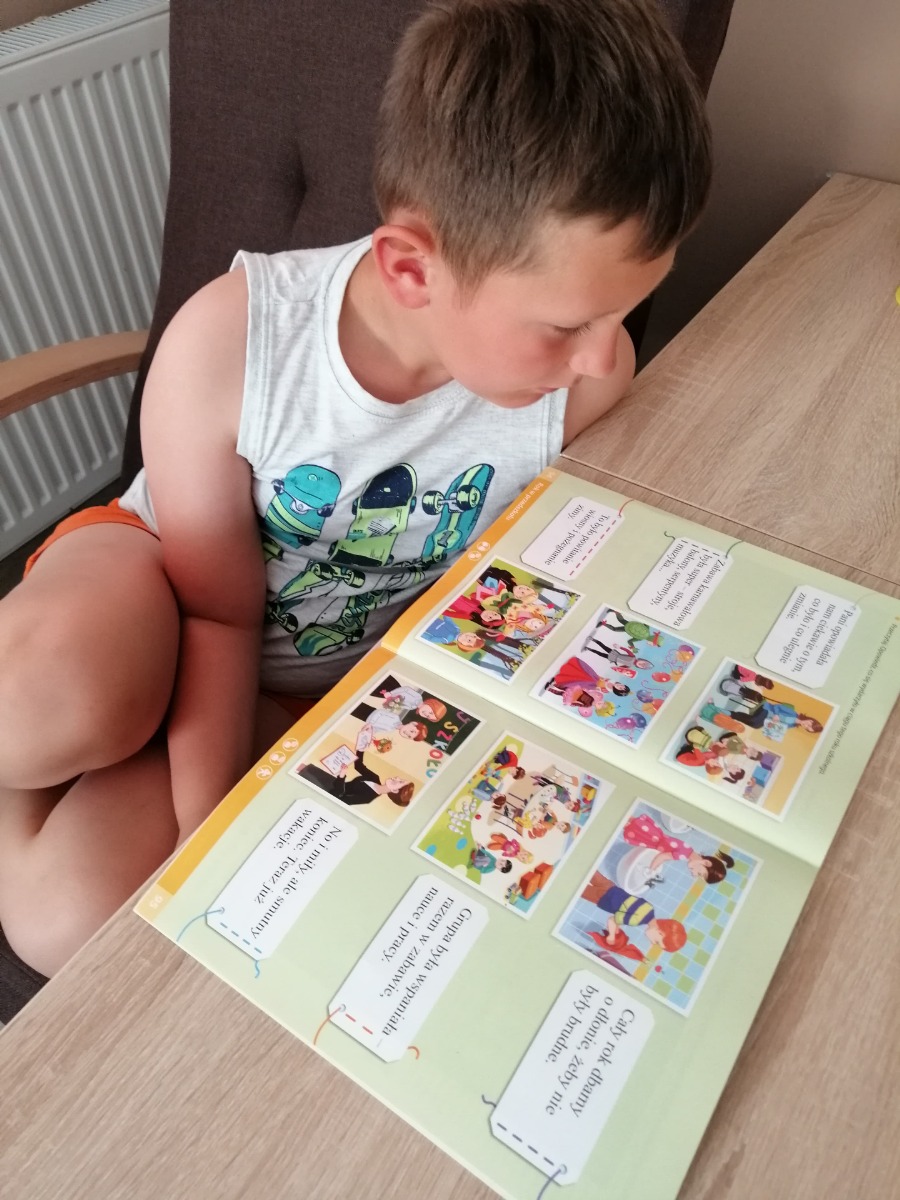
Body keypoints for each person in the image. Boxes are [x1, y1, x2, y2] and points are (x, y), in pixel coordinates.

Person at [0, 0, 712, 974]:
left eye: (625, 312)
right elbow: (216, 614)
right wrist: (211, 836)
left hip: (317, 680)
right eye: (565, 325)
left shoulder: (585, 384)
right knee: (39, 705)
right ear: (411, 270)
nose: (603, 356)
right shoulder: (232, 344)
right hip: (162, 586)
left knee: (63, 923)